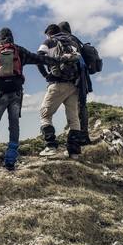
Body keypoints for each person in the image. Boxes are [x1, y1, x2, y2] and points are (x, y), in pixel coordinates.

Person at [0, 27, 58, 171]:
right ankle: (10, 161)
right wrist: (56, 61)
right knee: (14, 126)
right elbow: (38, 58)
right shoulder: (18, 50)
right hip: (16, 95)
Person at [36, 24, 84, 159]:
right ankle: (74, 152)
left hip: (57, 84)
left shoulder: (49, 41)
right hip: (74, 85)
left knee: (45, 114)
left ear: (49, 34)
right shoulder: (73, 43)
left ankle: (50, 146)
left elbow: (39, 58)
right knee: (73, 118)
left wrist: (46, 75)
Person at [58, 21, 93, 146]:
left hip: (74, 79)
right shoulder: (77, 40)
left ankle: (78, 137)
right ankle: (84, 136)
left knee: (74, 107)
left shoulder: (65, 41)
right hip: (83, 78)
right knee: (82, 106)